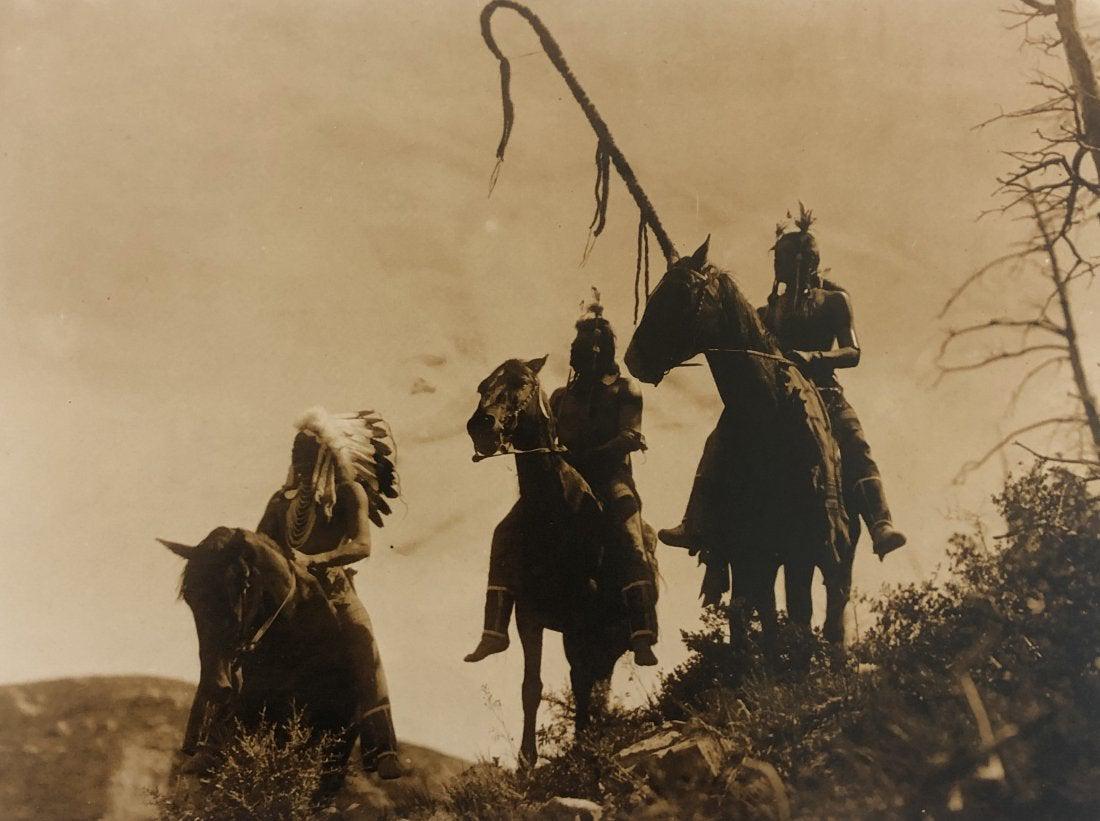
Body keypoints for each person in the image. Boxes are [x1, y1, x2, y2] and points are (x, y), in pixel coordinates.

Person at [659, 206, 906, 559]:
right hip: (775, 395)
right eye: (777, 257)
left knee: (854, 441)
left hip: (823, 393)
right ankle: (696, 521)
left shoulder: (834, 301)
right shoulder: (765, 313)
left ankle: (880, 522)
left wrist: (813, 358)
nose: (778, 263)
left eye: (786, 256)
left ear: (806, 259)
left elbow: (853, 352)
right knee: (721, 436)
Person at [464, 296, 660, 666]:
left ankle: (641, 628)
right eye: (572, 348)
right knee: (506, 530)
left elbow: (631, 436)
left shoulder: (625, 389)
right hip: (567, 477)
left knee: (629, 532)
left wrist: (591, 454)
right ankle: (494, 628)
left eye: (578, 347)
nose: (571, 354)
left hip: (610, 477)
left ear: (597, 349)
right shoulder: (559, 396)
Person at [257, 407, 403, 779]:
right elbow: (262, 544)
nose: (299, 461)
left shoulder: (349, 493)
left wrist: (317, 558)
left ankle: (381, 746)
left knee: (361, 638)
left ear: (324, 455)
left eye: (306, 454)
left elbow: (361, 545)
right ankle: (211, 736)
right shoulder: (280, 502)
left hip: (335, 591)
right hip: (287, 596)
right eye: (294, 453)